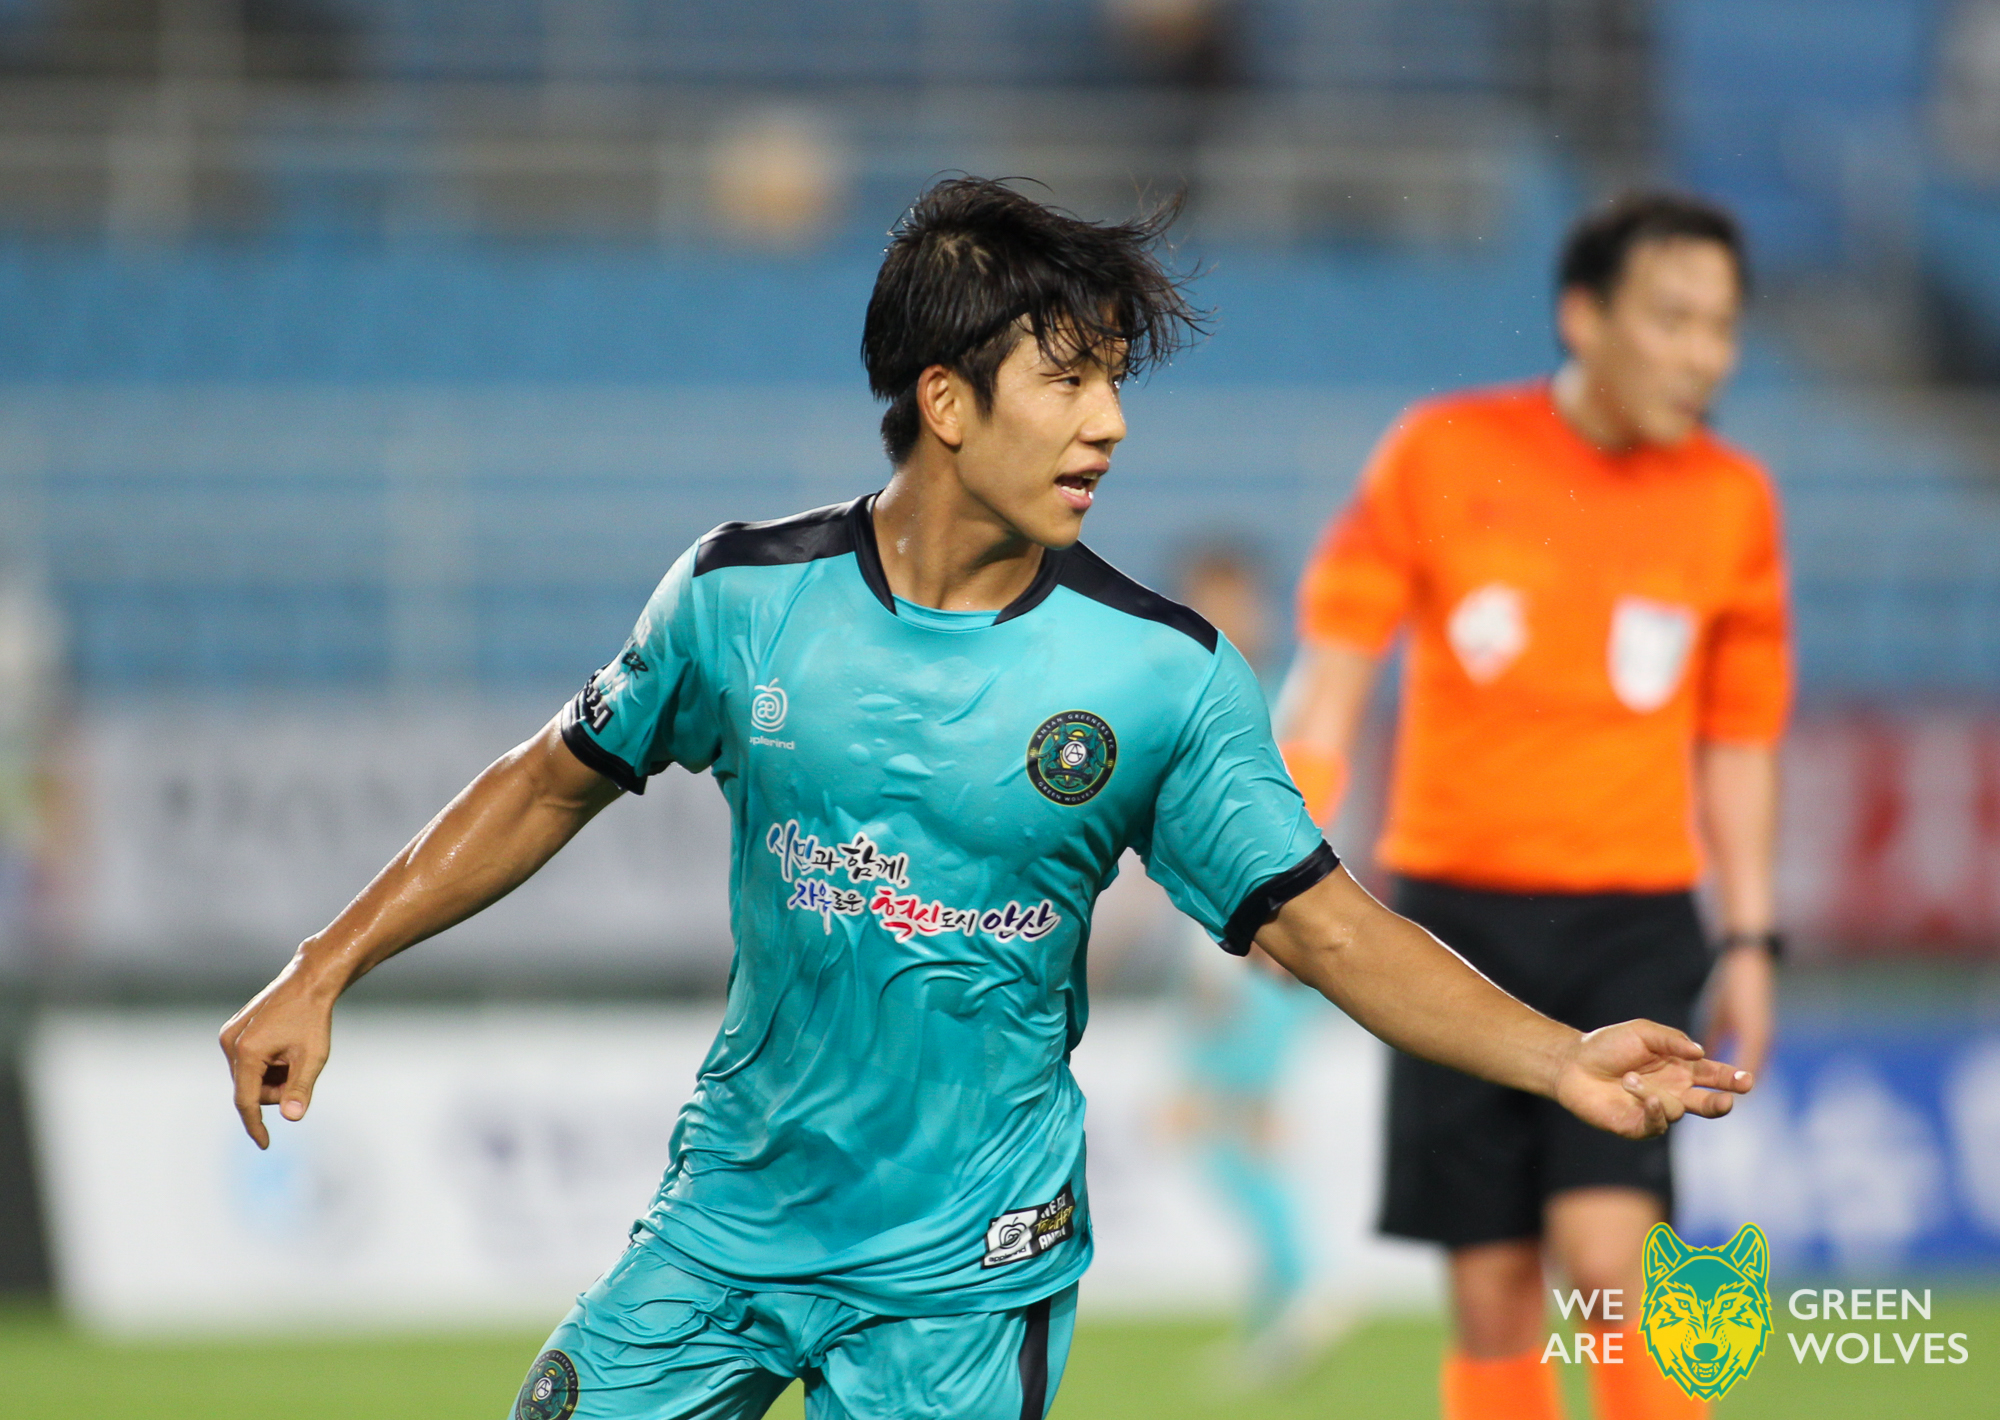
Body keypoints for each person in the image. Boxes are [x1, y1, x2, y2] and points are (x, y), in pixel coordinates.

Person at [220, 177, 1751, 1420]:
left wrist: (1561, 1058)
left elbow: (1324, 929)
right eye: (1069, 381)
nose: (1111, 423)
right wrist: (324, 962)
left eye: (1116, 383)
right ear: (946, 401)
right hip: (730, 1218)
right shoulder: (741, 599)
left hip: (968, 1268)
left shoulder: (1160, 676)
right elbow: (548, 783)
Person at [1275, 191, 1787, 1420]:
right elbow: (1333, 665)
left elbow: (1737, 739)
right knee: (1496, 1288)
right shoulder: (1441, 452)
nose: (1702, 354)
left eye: (1720, 325)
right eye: (1672, 318)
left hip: (1631, 919)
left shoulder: (1731, 501)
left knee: (1609, 1266)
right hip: (1454, 926)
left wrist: (1751, 936)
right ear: (1583, 317)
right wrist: (1281, 848)